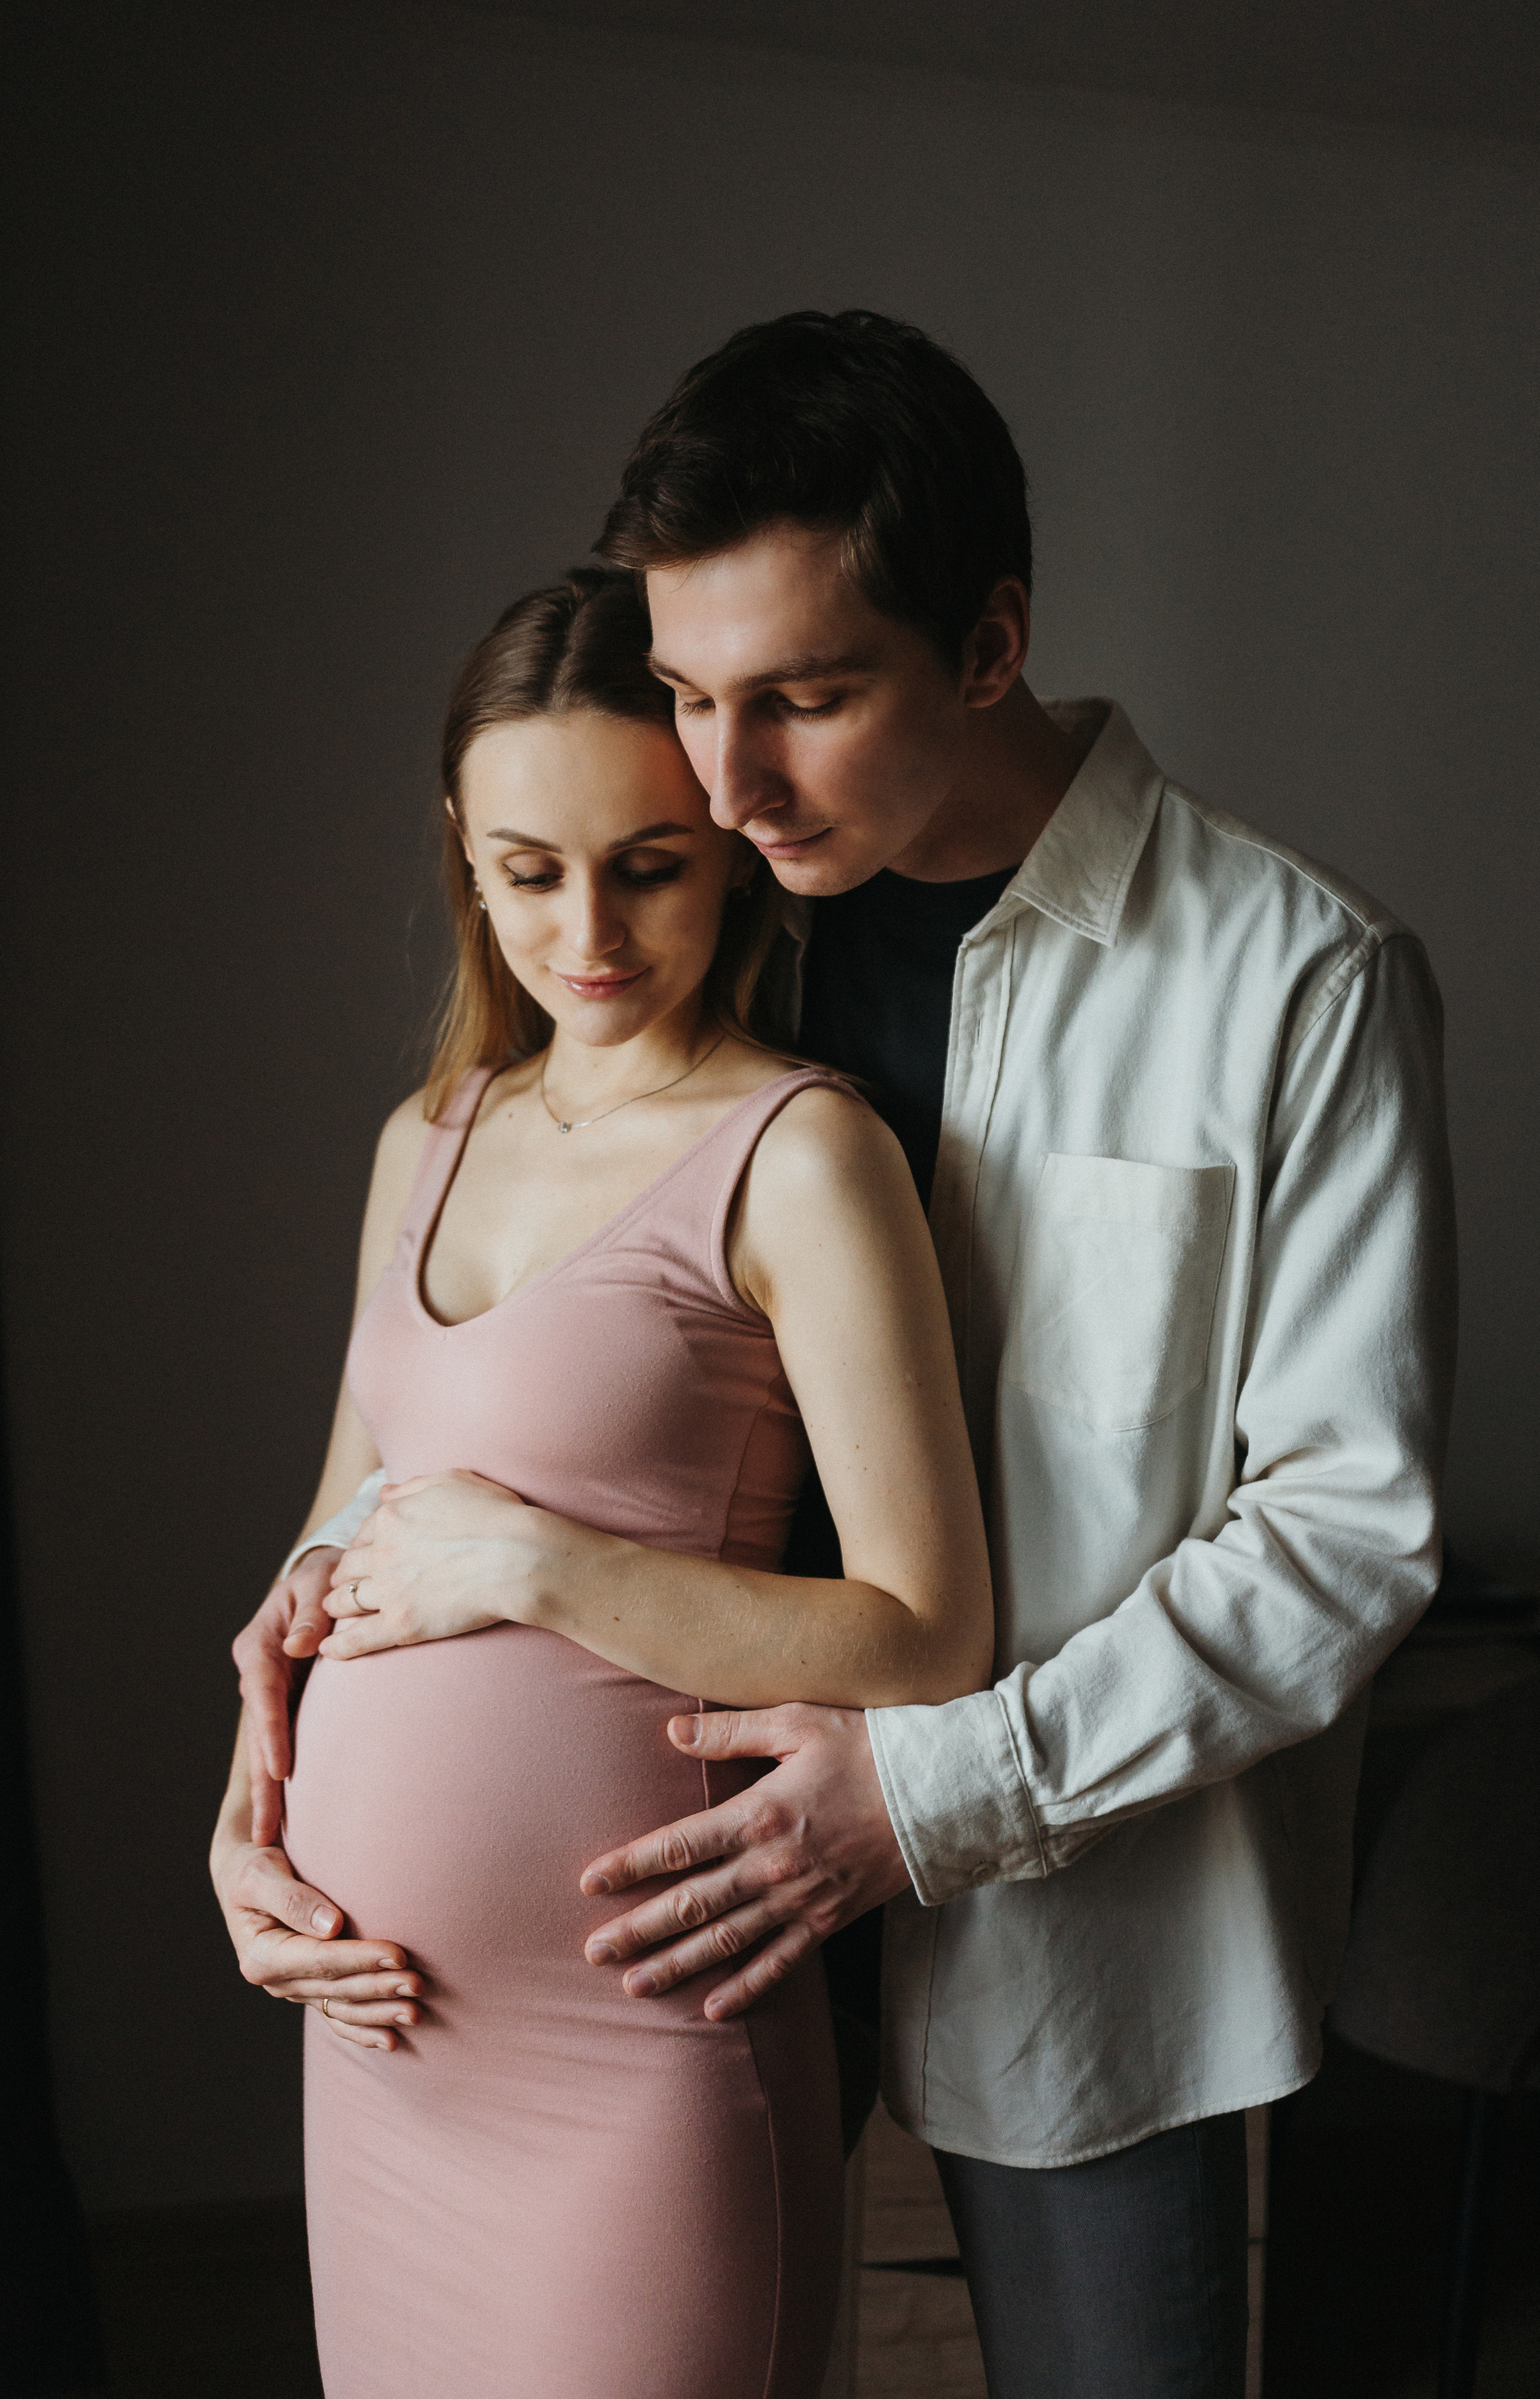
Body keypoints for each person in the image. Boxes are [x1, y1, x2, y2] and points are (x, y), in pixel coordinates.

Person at [224, 313, 1456, 2399]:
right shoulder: (699, 912)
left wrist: (930, 1797)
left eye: (802, 697)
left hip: (1073, 1911)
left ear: (989, 647)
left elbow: (1346, 1534)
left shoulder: (1291, 981)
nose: (724, 779)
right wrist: (277, 1746)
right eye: (692, 695)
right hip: (640, 1943)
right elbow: (464, 1410)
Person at [208, 562, 994, 2399]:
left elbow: (930, 1634)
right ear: (465, 856)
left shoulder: (802, 1153)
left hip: (636, 2049)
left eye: (647, 864)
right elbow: (335, 1545)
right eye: (529, 870)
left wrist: (540, 1567)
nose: (590, 932)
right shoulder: (425, 1138)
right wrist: (246, 1825)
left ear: (727, 846)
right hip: (382, 2052)